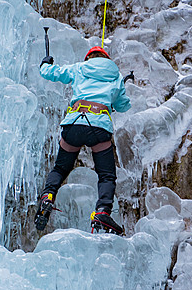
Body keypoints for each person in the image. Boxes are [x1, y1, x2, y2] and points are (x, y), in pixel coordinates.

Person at [35, 45, 131, 234]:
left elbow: (50, 73)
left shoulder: (79, 68)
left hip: (75, 122)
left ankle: (47, 197)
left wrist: (46, 63)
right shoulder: (116, 76)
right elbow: (123, 106)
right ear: (107, 59)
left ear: (89, 58)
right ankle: (103, 210)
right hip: (98, 126)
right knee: (106, 175)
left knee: (60, 168)